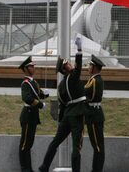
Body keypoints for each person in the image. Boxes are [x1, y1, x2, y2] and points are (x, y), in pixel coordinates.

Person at [39, 39, 86, 172]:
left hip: (67, 116)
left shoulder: (61, 86)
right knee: (77, 146)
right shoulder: (73, 77)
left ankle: (44, 166)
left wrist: (62, 121)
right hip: (77, 115)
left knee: (55, 142)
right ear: (65, 69)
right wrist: (79, 50)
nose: (70, 64)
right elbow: (79, 65)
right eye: (67, 64)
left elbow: (63, 104)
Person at [19, 56, 49, 172]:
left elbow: (38, 94)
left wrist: (45, 94)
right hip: (27, 115)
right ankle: (24, 168)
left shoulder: (34, 82)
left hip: (33, 116)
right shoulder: (25, 83)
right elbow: (27, 98)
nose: (33, 68)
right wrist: (40, 105)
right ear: (26, 69)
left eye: (33, 66)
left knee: (29, 144)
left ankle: (29, 168)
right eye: (31, 66)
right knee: (25, 144)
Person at [85, 55, 105, 172]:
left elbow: (88, 95)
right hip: (96, 114)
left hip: (93, 116)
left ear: (94, 68)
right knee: (98, 146)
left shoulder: (94, 80)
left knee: (97, 146)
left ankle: (96, 170)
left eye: (90, 65)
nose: (88, 68)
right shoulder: (97, 79)